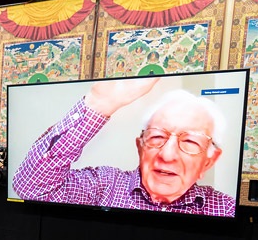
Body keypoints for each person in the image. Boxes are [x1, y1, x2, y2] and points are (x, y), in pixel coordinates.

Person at [13, 78, 235, 216]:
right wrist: (100, 104)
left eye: (189, 142)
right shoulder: (105, 185)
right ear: (140, 147)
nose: (167, 155)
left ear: (209, 160)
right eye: (157, 137)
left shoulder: (224, 208)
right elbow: (32, 188)